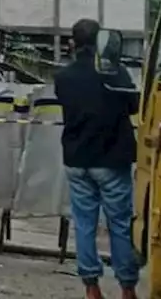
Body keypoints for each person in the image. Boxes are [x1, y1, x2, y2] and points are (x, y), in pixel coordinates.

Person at [54, 19, 139, 299]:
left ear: (73, 44)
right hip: (112, 159)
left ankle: (91, 287)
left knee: (85, 223)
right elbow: (134, 104)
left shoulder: (64, 77)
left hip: (77, 160)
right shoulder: (115, 72)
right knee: (119, 224)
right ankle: (127, 287)